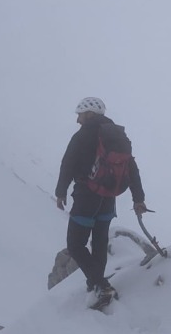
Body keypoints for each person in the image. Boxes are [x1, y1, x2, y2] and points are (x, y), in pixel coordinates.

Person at [55, 97, 147, 303]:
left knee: (76, 245)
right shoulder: (117, 136)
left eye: (80, 114)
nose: (78, 120)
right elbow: (131, 168)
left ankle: (101, 285)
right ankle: (95, 283)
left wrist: (60, 192)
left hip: (86, 198)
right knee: (99, 242)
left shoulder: (82, 136)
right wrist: (138, 198)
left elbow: (67, 164)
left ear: (89, 114)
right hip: (107, 199)